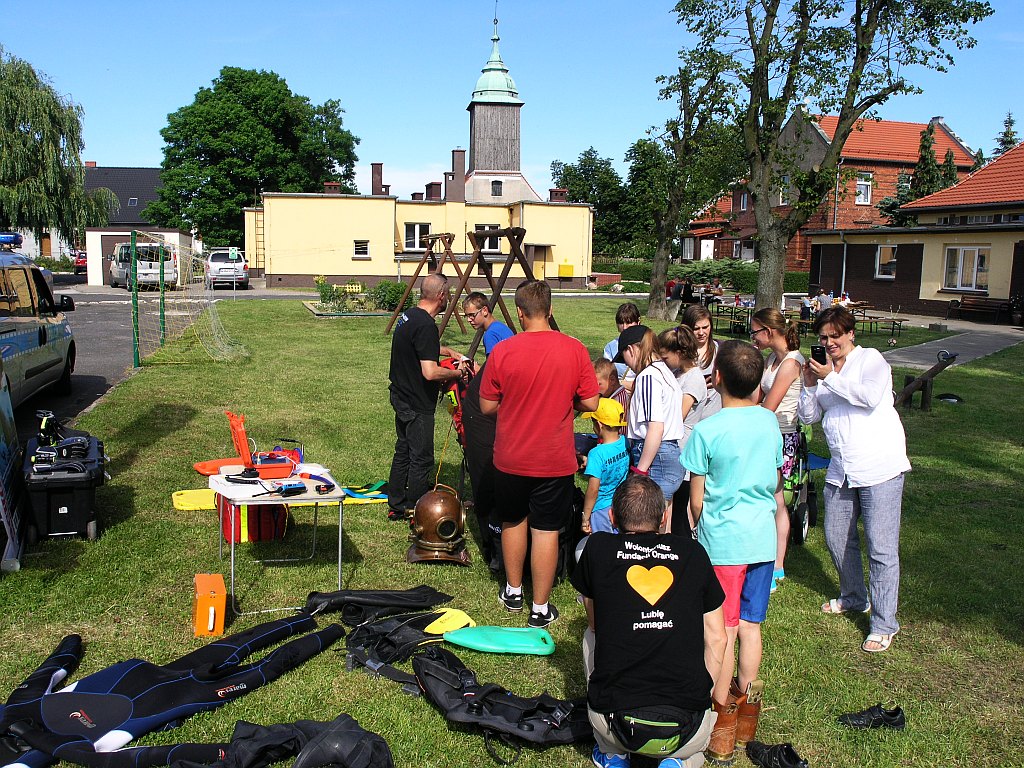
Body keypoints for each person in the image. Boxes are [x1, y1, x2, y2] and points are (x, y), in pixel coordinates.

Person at [572, 475, 727, 768]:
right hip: (689, 725)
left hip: (615, 721)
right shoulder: (694, 553)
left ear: (612, 516)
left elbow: (594, 621)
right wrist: (698, 696)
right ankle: (677, 762)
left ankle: (613, 752)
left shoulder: (597, 549)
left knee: (590, 634)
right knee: (691, 752)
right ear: (664, 516)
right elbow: (717, 639)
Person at [681, 340, 782, 765]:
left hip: (722, 544)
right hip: (761, 540)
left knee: (718, 630)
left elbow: (697, 499)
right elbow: (775, 481)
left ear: (716, 377)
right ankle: (747, 715)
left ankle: (718, 718)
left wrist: (698, 526)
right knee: (751, 626)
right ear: (759, 381)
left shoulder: (707, 430)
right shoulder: (770, 424)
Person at [479, 280, 600, 628]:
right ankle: (540, 607)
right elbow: (591, 402)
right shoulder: (574, 349)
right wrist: (566, 403)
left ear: (518, 312)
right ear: (550, 310)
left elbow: (487, 404)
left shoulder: (503, 351)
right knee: (546, 529)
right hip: (553, 459)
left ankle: (514, 590)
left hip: (511, 457)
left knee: (513, 520)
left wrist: (515, 401)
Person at [798, 306, 911, 654]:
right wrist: (808, 384)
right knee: (835, 537)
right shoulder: (826, 372)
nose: (829, 343)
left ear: (851, 334)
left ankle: (883, 623)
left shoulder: (871, 360)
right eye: (823, 338)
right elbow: (809, 415)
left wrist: (830, 376)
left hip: (880, 468)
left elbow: (869, 397)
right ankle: (853, 596)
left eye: (835, 336)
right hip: (842, 469)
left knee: (880, 546)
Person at [387, 273, 467, 520]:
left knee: (404, 450)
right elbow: (430, 372)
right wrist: (456, 372)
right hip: (416, 403)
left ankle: (397, 503)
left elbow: (420, 347)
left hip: (400, 395)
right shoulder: (425, 325)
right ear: (442, 296)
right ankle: (417, 512)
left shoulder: (410, 315)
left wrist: (448, 350)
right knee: (421, 459)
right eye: (449, 294)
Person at [750, 308, 805, 593]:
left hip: (782, 437)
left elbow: (769, 406)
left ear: (769, 332)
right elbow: (757, 395)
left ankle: (777, 565)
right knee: (768, 497)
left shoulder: (793, 362)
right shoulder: (772, 359)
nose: (753, 338)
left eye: (755, 332)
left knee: (776, 500)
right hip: (767, 433)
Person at [614, 325, 685, 523]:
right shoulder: (665, 371)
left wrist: (641, 471)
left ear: (632, 350)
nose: (627, 363)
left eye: (624, 357)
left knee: (646, 521)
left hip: (655, 457)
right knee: (662, 521)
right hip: (668, 453)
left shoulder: (647, 376)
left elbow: (656, 427)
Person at [657, 325, 707, 534]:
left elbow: (678, 415)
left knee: (678, 510)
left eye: (666, 358)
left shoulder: (694, 379)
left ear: (679, 353)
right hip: (674, 446)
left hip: (682, 448)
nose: (663, 363)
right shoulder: (678, 373)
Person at [579, 398, 629, 534]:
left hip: (601, 509)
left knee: (603, 547)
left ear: (599, 424)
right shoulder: (625, 442)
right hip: (620, 503)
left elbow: (593, 490)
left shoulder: (596, 454)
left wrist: (585, 517)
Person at [680, 304, 722, 418]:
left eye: (705, 327)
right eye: (696, 328)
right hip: (688, 419)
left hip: (713, 418)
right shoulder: (679, 354)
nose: (701, 332)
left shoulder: (720, 351)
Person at [462, 291, 513, 356]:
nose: (468, 320)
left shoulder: (490, 335)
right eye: (467, 316)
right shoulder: (502, 327)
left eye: (472, 315)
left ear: (485, 311)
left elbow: (492, 364)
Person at [603, 303, 641, 383]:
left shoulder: (647, 343)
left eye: (628, 322)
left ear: (638, 322)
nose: (624, 327)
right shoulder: (610, 347)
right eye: (621, 323)